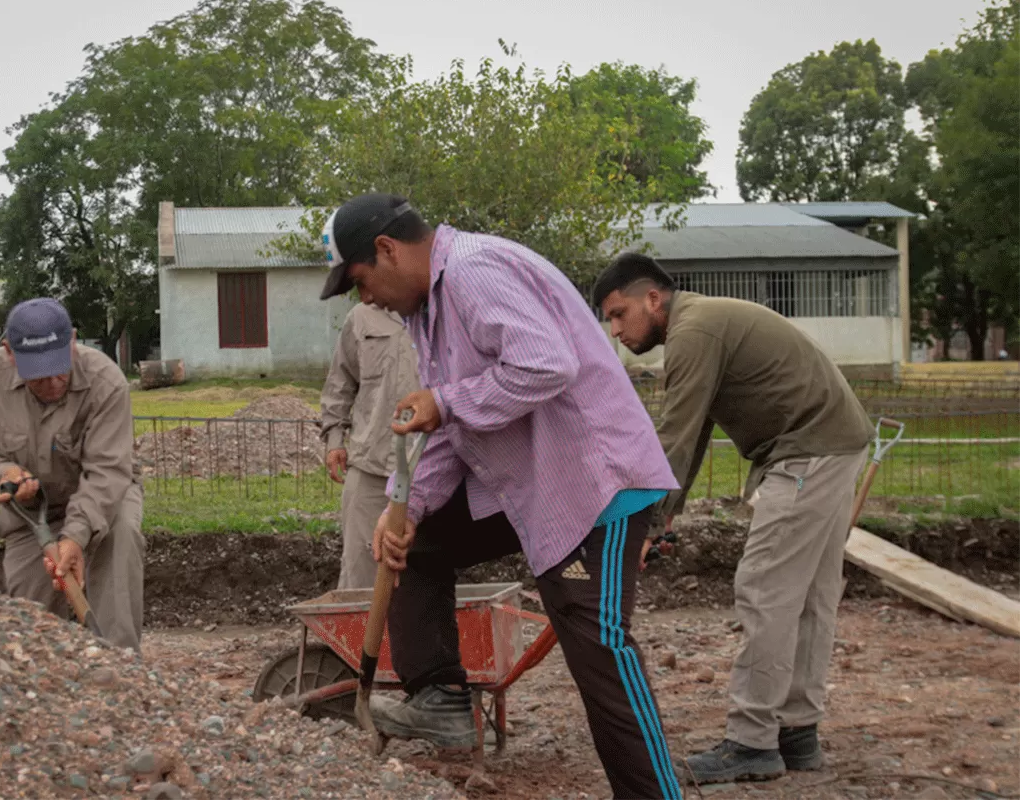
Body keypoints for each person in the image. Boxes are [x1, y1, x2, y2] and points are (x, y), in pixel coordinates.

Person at [319, 192, 684, 800]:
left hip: (595, 484)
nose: (365, 300)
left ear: (386, 250)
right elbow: (445, 424)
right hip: (538, 485)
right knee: (418, 537)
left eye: (359, 281)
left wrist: (447, 402)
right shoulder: (428, 311)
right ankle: (440, 695)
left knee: (601, 657)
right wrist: (400, 506)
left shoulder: (472, 272)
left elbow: (545, 366)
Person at [592, 253, 874, 785]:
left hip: (807, 449)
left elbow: (674, 434)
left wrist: (644, 527)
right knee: (810, 595)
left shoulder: (694, 333)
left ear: (652, 299)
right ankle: (797, 731)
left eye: (617, 313)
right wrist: (664, 517)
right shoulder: (703, 324)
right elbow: (692, 435)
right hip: (836, 442)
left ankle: (751, 742)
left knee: (765, 589)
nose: (615, 330)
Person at [0, 297, 145, 652]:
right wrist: (2, 472)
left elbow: (106, 471)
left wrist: (74, 537)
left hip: (105, 497)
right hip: (31, 514)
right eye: (38, 373)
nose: (54, 381)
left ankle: (120, 670)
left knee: (120, 541)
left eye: (59, 366)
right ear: (9, 352)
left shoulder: (107, 382)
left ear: (72, 341)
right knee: (31, 627)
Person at [320, 302, 421, 589]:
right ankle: (359, 635)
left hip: (431, 470)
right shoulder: (361, 317)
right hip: (371, 465)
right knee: (359, 573)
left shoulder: (438, 312)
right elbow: (340, 382)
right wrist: (335, 439)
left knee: (425, 578)